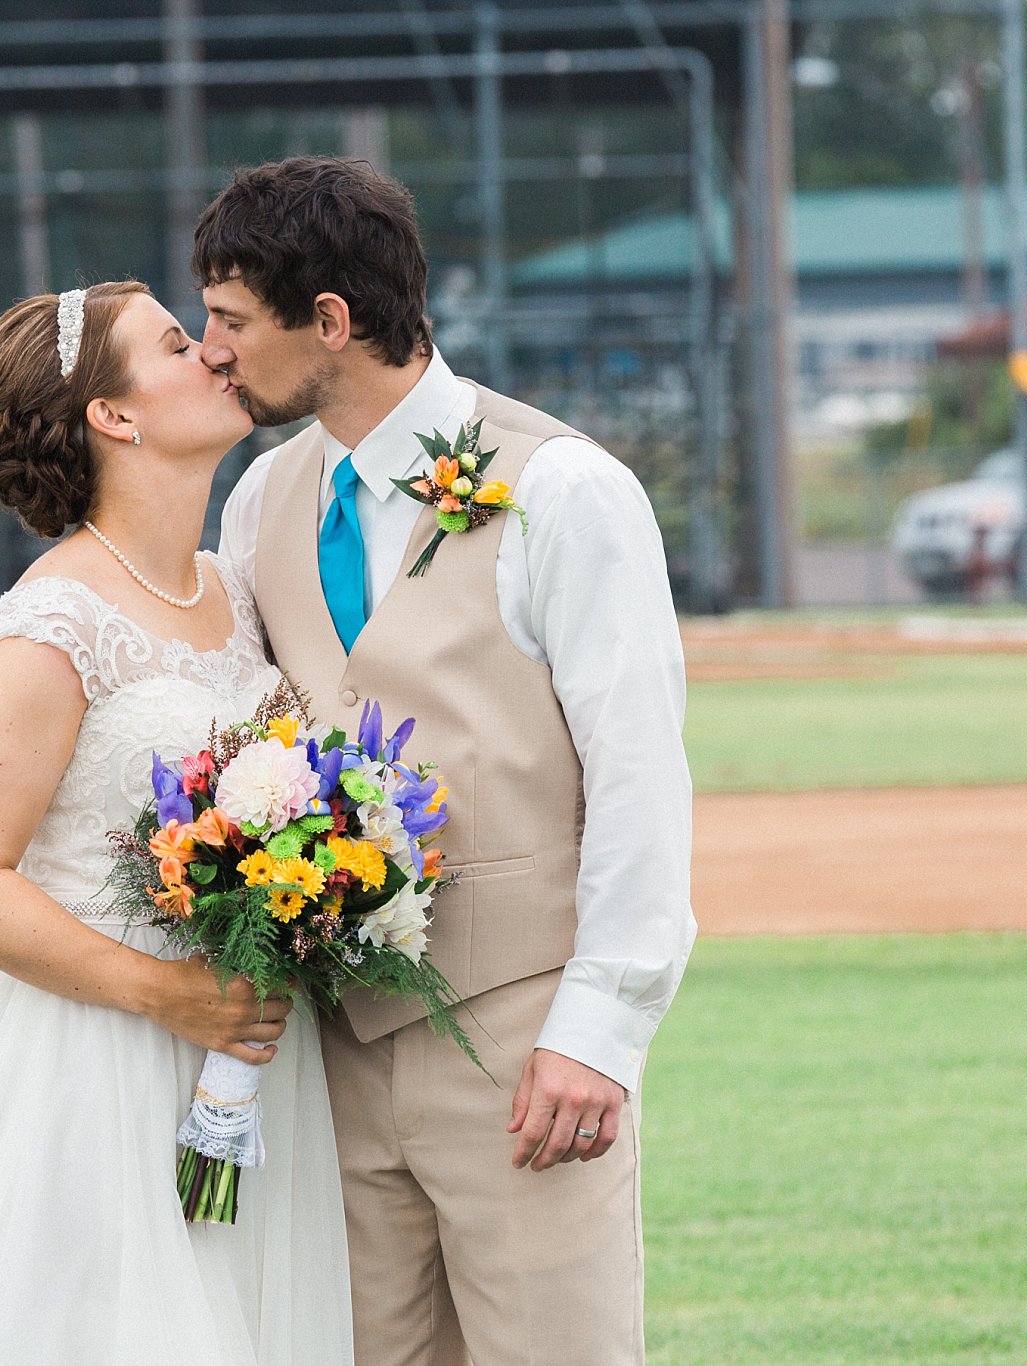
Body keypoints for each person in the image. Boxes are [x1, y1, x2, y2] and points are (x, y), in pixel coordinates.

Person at [205, 156, 697, 1366]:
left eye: (228, 321)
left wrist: (601, 1028)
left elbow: (638, 770)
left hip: (522, 1048)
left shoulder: (564, 489)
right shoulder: (261, 497)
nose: (212, 351)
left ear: (327, 321)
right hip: (328, 1059)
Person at [0, 280, 352, 1365]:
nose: (217, 356)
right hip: (95, 1061)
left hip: (251, 1056)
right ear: (113, 415)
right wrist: (171, 995)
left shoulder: (239, 589)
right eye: (181, 345)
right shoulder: (50, 623)